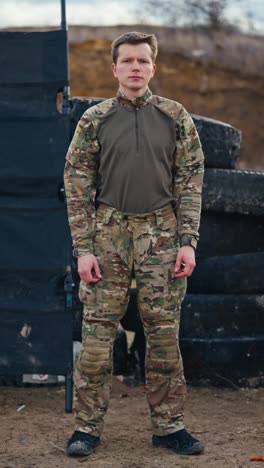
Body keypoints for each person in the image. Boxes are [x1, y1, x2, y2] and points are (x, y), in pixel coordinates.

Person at [64, 31, 205, 458]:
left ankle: (169, 426)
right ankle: (87, 429)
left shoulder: (175, 116)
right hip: (108, 234)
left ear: (153, 67)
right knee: (97, 337)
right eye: (127, 61)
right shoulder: (95, 119)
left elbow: (191, 182)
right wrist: (83, 248)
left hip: (161, 235)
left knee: (163, 335)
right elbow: (77, 184)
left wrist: (188, 242)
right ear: (115, 68)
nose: (135, 68)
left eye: (143, 61)